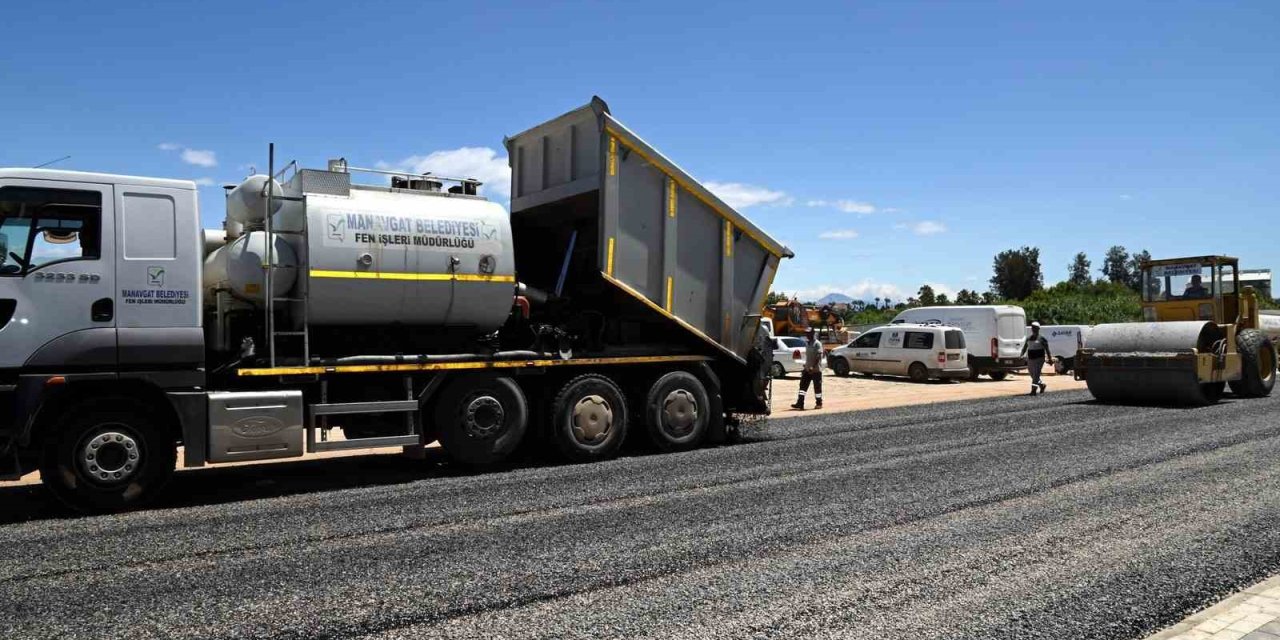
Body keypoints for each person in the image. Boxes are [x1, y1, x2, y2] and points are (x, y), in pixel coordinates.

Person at [791, 327, 824, 410]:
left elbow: (818, 357)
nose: (807, 335)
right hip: (807, 369)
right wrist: (806, 366)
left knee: (817, 387)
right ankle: (800, 403)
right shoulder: (807, 343)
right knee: (802, 386)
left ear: (813, 334)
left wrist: (813, 366)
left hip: (816, 370)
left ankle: (819, 403)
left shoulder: (817, 344)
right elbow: (808, 357)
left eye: (809, 333)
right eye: (806, 333)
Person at [1020, 322, 1054, 396]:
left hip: (1039, 358)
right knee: (1032, 374)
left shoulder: (1042, 339)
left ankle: (1033, 390)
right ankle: (1042, 385)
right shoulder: (1028, 338)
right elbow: (1024, 348)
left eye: (1035, 328)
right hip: (1031, 359)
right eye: (1033, 328)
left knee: (1036, 374)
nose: (1033, 329)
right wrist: (1021, 355)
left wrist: (1050, 359)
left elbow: (1047, 349)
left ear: (1038, 329)